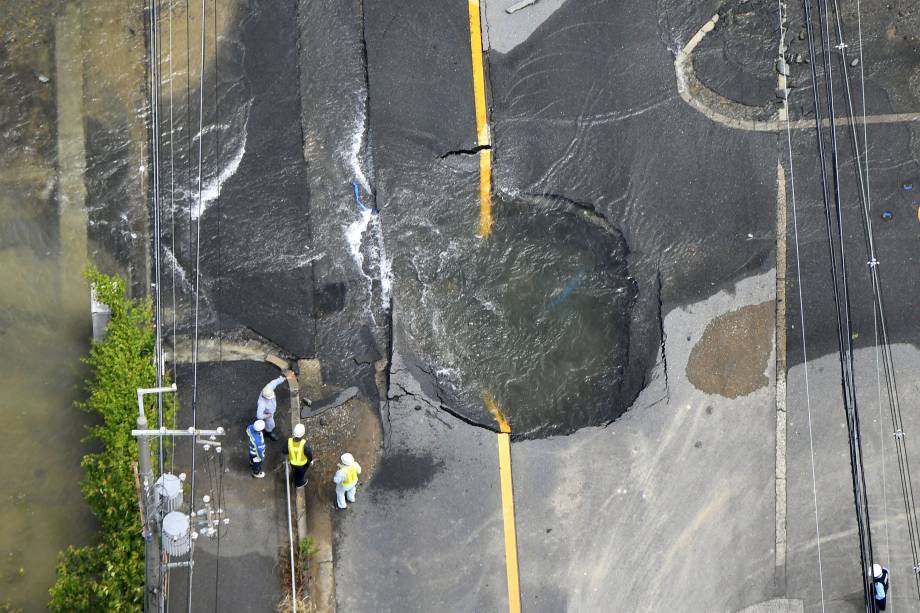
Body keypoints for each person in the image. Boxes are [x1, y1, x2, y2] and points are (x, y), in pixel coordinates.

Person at [256, 370, 296, 441]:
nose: (273, 397)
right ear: (265, 397)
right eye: (271, 397)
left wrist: (286, 378)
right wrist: (267, 415)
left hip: (271, 410)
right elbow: (259, 415)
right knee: (271, 424)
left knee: (269, 423)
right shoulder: (262, 403)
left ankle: (266, 429)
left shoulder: (268, 388)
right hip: (269, 413)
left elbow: (275, 382)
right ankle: (268, 432)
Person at [287, 423, 313, 488]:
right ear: (303, 434)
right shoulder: (304, 444)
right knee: (300, 475)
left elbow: (284, 450)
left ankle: (294, 476)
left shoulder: (289, 441)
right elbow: (309, 454)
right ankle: (299, 484)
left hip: (292, 463)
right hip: (301, 465)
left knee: (295, 471)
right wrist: (310, 461)